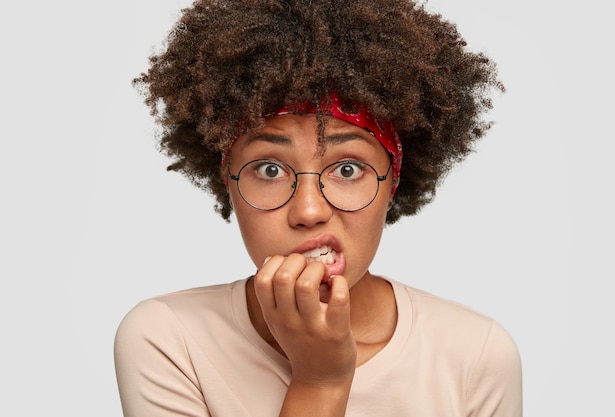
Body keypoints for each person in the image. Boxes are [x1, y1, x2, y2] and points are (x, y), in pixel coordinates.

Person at [114, 0, 522, 416]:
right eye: (269, 169)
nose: (309, 210)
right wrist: (320, 381)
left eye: (347, 169)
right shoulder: (168, 338)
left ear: (393, 182)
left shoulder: (476, 355)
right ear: (228, 181)